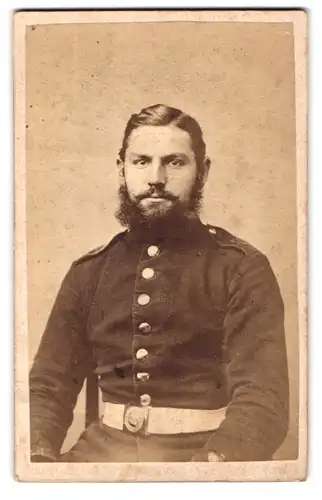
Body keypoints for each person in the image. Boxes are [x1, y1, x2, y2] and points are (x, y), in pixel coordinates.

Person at [30, 104, 289, 463]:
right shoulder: (89, 271)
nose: (156, 178)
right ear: (121, 169)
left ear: (203, 171)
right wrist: (37, 464)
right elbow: (48, 388)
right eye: (141, 161)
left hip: (201, 458)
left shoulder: (241, 268)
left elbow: (264, 402)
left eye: (175, 162)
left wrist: (211, 469)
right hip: (101, 455)